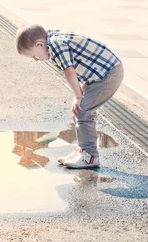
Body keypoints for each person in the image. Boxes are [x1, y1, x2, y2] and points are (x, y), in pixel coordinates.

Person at [15, 24, 124, 169]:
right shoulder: (52, 39)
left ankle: (90, 157)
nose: (36, 59)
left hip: (108, 75)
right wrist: (78, 95)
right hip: (97, 75)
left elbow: (70, 72)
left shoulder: (56, 45)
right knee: (78, 110)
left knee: (83, 110)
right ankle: (82, 151)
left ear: (40, 44)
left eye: (34, 55)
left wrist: (79, 96)